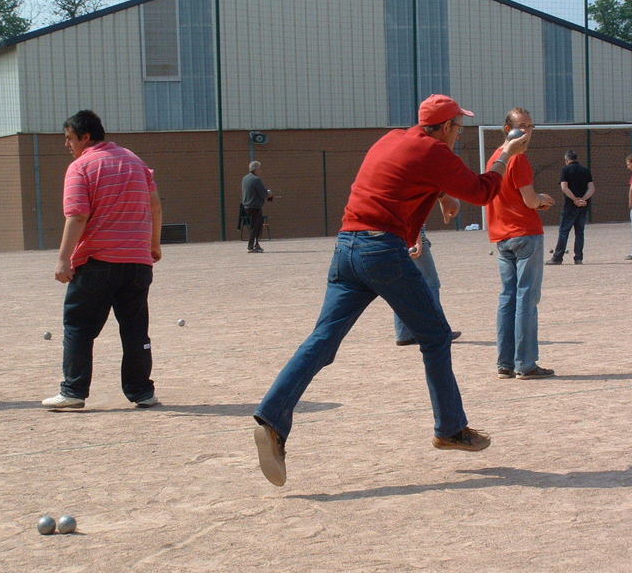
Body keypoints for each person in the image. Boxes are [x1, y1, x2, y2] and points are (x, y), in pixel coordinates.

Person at [252, 94, 524, 486]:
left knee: (322, 340)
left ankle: (272, 419)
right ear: (446, 128)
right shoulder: (436, 152)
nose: (459, 136)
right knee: (435, 336)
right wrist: (506, 154)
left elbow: (402, 175)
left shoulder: (392, 138)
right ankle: (450, 428)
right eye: (458, 128)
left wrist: (441, 194)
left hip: (347, 247)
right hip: (381, 250)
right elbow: (483, 192)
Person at [42, 110, 162, 410]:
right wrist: (153, 244)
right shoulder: (135, 161)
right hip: (137, 262)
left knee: (79, 327)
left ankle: (73, 391)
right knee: (135, 329)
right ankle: (142, 392)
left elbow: (78, 215)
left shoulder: (81, 167)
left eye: (69, 138)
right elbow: (155, 206)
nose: (67, 145)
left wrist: (63, 259)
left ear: (85, 137)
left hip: (97, 261)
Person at [486, 107, 556, 380]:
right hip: (525, 234)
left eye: (530, 126)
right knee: (526, 299)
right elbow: (529, 200)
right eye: (522, 126)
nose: (527, 131)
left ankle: (505, 363)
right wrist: (542, 200)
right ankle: (525, 364)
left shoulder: (496, 159)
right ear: (508, 129)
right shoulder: (519, 159)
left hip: (502, 236)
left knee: (508, 298)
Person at [393, 225, 461, 347]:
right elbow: (412, 215)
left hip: (395, 236)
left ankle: (403, 333)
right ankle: (440, 331)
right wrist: (418, 240)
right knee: (431, 285)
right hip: (412, 235)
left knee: (404, 287)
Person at [546, 150, 594, 265]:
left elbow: (564, 187)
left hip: (569, 206)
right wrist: (583, 199)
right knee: (580, 232)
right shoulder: (585, 170)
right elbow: (592, 188)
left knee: (564, 231)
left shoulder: (565, 170)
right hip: (583, 206)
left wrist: (575, 199)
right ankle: (578, 258)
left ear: (567, 160)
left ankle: (558, 258)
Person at [242, 161, 273, 253]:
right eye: (259, 168)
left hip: (246, 206)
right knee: (256, 226)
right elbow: (263, 193)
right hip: (255, 206)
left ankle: (255, 245)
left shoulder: (245, 178)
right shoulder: (256, 179)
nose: (260, 170)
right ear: (255, 169)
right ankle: (252, 246)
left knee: (254, 225)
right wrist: (269, 193)